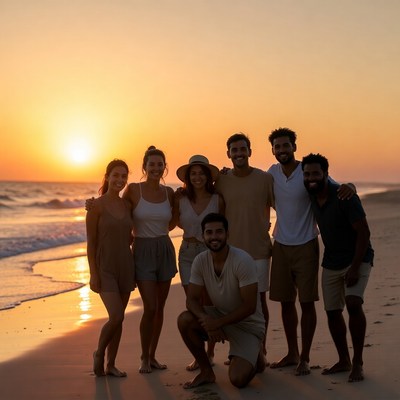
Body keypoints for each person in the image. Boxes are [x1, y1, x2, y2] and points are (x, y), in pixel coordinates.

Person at [267, 127, 355, 375]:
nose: (282, 150)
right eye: (277, 147)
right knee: (285, 303)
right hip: (281, 245)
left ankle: (304, 358)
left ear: (294, 146)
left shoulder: (306, 173)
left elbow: (334, 186)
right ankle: (292, 353)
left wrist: (351, 185)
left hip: (306, 244)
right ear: (272, 150)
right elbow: (252, 185)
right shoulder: (271, 173)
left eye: (286, 145)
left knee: (306, 303)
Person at [302, 153, 374, 383]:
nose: (311, 178)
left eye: (316, 173)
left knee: (353, 303)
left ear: (326, 174)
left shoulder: (345, 196)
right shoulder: (311, 194)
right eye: (307, 173)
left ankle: (358, 362)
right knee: (332, 311)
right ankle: (343, 359)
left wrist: (354, 268)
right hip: (332, 261)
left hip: (357, 258)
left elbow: (364, 233)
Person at [177, 213, 266, 389]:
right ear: (203, 236)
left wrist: (216, 323)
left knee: (238, 380)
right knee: (185, 320)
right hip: (220, 318)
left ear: (227, 234)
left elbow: (249, 307)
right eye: (209, 233)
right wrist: (206, 319)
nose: (214, 237)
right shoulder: (200, 261)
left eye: (219, 232)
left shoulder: (242, 260)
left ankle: (256, 357)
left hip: (248, 325)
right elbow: (192, 300)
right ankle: (206, 372)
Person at [215, 133, 274, 363]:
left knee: (259, 302)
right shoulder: (222, 180)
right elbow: (201, 197)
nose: (239, 153)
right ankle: (239, 350)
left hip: (258, 250)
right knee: (235, 303)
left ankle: (261, 349)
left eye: (242, 149)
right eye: (234, 150)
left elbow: (286, 204)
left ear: (250, 152)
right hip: (230, 253)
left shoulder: (264, 179)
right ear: (228, 154)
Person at [122, 146, 177, 373]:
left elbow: (173, 221)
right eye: (151, 164)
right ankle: (144, 357)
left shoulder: (170, 193)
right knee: (150, 307)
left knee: (160, 308)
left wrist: (160, 232)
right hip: (142, 248)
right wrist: (94, 206)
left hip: (164, 247)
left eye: (160, 164)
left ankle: (153, 356)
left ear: (165, 167)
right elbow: (118, 212)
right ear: (144, 167)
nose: (156, 168)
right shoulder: (134, 190)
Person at [173, 155, 225, 371]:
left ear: (207, 176)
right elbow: (168, 222)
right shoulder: (180, 199)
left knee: (210, 302)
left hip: (210, 253)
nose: (197, 177)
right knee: (193, 303)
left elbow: (224, 227)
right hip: (186, 252)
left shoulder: (217, 199)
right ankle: (200, 354)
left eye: (201, 173)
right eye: (193, 173)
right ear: (187, 176)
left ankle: (211, 353)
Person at [86, 159, 135, 378]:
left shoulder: (127, 205)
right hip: (104, 267)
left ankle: (111, 364)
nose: (120, 180)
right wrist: (93, 273)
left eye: (124, 176)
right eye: (116, 175)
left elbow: (129, 237)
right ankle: (99, 353)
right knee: (115, 316)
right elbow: (91, 243)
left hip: (126, 265)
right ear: (107, 176)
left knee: (120, 318)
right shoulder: (96, 206)